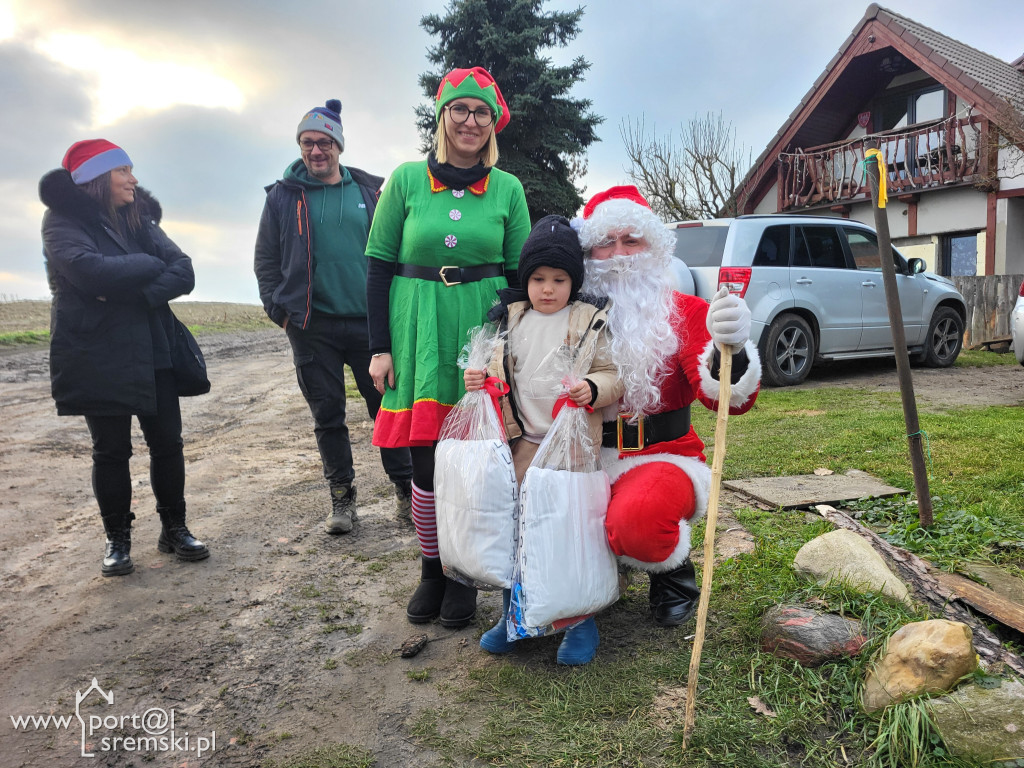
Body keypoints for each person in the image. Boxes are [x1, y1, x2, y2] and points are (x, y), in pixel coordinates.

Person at [365, 67, 531, 628]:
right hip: (417, 331)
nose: (469, 121)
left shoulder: (507, 189)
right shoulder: (407, 180)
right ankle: (432, 569)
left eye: (481, 113)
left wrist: (501, 335)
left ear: (492, 125)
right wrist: (379, 347)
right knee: (425, 457)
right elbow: (378, 268)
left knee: (478, 455)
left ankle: (464, 574)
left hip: (480, 330)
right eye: (459, 109)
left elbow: (519, 273)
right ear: (443, 117)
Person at [575, 185, 762, 627]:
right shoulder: (569, 313)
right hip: (582, 457)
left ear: (654, 248)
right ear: (587, 253)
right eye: (605, 243)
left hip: (664, 455)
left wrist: (727, 346)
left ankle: (673, 572)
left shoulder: (689, 311)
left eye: (631, 241)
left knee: (639, 520)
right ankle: (599, 576)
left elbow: (729, 403)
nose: (619, 254)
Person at [39, 139, 209, 576]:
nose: (134, 179)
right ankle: (118, 541)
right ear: (97, 179)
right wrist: (151, 266)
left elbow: (184, 269)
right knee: (111, 451)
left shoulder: (140, 217)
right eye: (123, 171)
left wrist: (130, 291)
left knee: (167, 444)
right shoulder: (61, 222)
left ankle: (175, 528)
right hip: (97, 351)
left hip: (154, 346)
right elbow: (88, 270)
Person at [463, 214, 623, 665]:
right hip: (522, 444)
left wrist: (591, 390)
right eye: (537, 278)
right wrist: (477, 378)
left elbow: (612, 376)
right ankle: (516, 614)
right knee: (519, 529)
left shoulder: (587, 321)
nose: (548, 288)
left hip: (570, 449)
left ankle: (579, 619)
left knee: (568, 531)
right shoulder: (510, 321)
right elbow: (497, 373)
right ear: (525, 280)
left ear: (574, 281)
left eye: (559, 278)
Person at [255, 99, 413, 535]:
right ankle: (342, 500)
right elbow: (266, 259)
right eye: (308, 143)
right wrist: (280, 313)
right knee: (328, 415)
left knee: (388, 408)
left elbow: (396, 255)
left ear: (338, 146)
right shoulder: (282, 198)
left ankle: (405, 491)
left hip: (369, 325)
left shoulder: (370, 192)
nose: (316, 151)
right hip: (312, 326)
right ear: (300, 147)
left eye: (324, 142)